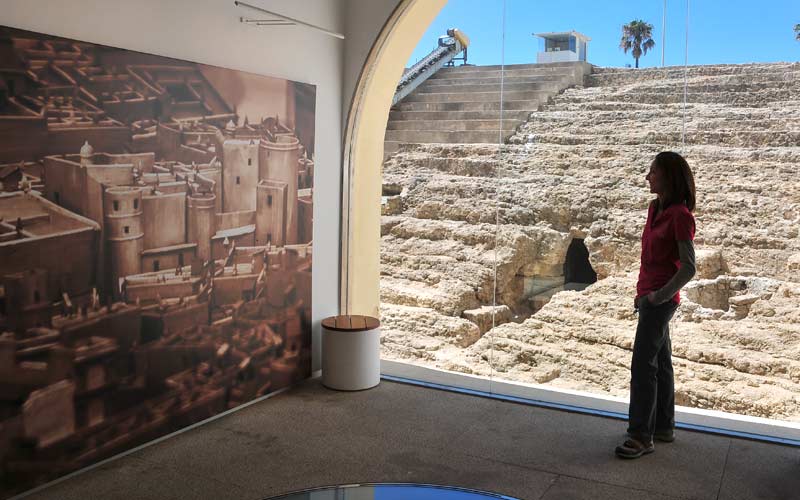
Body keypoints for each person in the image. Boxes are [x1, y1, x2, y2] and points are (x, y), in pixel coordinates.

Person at [615, 151, 697, 459]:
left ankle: (640, 436)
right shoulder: (654, 209)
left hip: (659, 301)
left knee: (642, 367)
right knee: (661, 363)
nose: (647, 177)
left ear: (668, 177)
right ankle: (664, 426)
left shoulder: (680, 215)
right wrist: (643, 293)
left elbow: (688, 267)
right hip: (649, 296)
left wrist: (656, 297)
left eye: (653, 172)